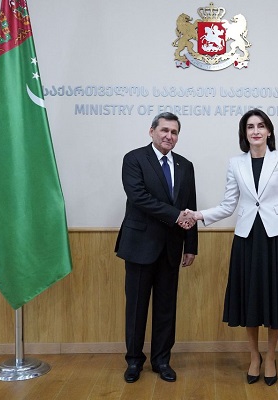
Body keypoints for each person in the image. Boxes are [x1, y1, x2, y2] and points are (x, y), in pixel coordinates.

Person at [187, 108, 278, 386]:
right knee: (250, 299)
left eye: (261, 126)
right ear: (244, 133)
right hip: (247, 239)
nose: (256, 131)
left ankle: (271, 357)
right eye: (250, 127)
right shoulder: (235, 163)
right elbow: (229, 204)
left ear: (269, 131)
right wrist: (199, 215)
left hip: (276, 238)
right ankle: (254, 356)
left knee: (275, 300)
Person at [115, 112, 198, 383]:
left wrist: (191, 245)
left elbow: (190, 206)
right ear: (151, 131)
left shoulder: (185, 165)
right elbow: (139, 197)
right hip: (140, 246)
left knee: (166, 309)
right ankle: (134, 361)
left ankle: (162, 360)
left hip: (171, 248)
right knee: (136, 308)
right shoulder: (134, 159)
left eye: (174, 132)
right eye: (164, 130)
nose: (168, 136)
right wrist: (175, 215)